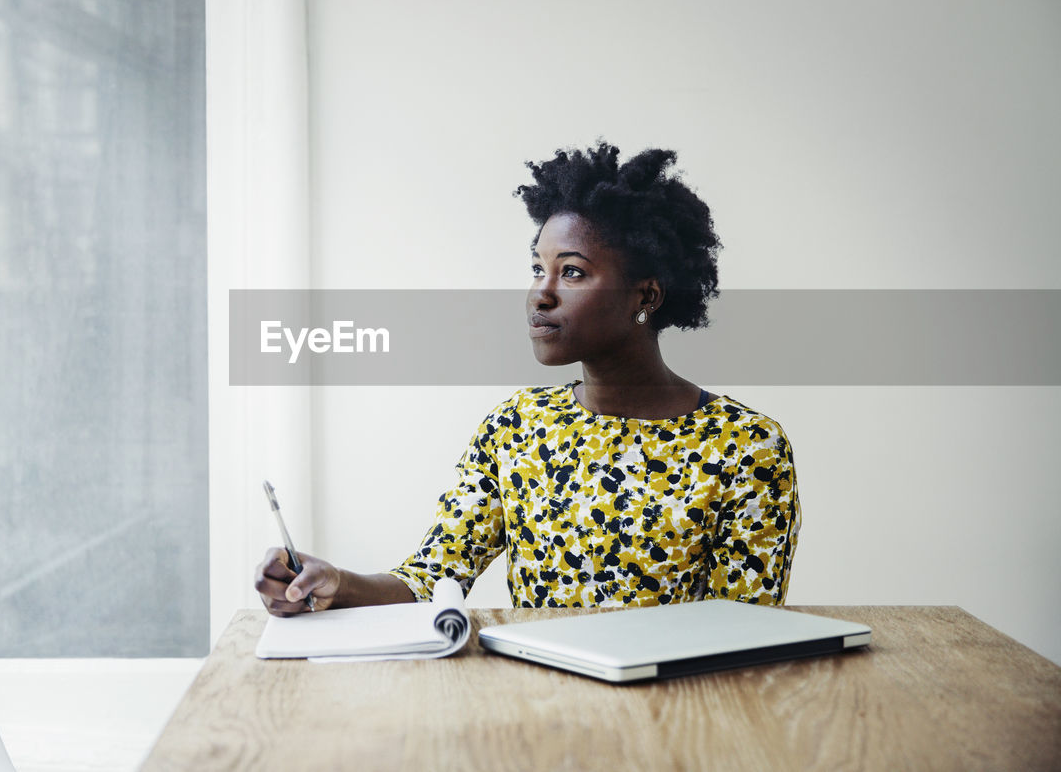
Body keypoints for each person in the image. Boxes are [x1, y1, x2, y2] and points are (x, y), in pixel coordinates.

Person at [255, 142, 800, 615]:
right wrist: (334, 585)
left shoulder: (748, 448)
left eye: (573, 272)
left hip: (678, 722)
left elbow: (745, 631)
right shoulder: (516, 427)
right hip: (541, 715)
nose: (541, 293)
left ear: (646, 296)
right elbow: (430, 580)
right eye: (538, 268)